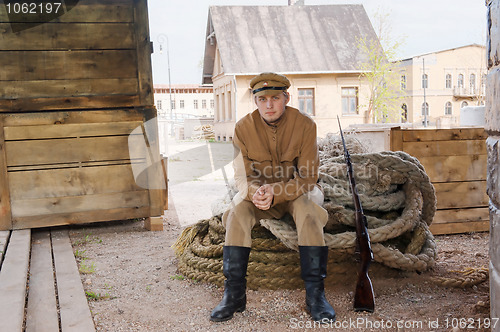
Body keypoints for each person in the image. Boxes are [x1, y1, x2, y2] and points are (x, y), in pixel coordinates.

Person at [210, 72, 335, 323]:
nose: (269, 104)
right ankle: (234, 294)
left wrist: (276, 192)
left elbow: (308, 177)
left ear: (286, 98)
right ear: (255, 101)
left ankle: (315, 295)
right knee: (236, 213)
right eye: (263, 98)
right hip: (258, 194)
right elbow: (241, 176)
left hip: (295, 192)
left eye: (275, 98)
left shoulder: (305, 125)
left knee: (309, 212)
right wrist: (255, 193)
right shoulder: (242, 128)